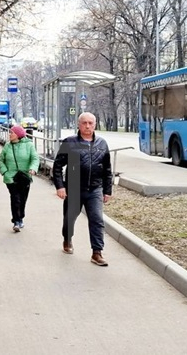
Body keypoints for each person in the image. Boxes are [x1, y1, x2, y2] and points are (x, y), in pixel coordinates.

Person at [52, 112, 114, 266]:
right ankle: (67, 239)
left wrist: (107, 190)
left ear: (95, 125)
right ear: (78, 125)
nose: (87, 126)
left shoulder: (102, 144)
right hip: (74, 188)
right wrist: (60, 186)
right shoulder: (70, 142)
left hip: (95, 189)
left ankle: (97, 252)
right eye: (84, 123)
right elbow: (57, 166)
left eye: (90, 123)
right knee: (69, 218)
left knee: (97, 219)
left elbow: (107, 169)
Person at [0, 124, 39, 233]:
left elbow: (35, 158)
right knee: (15, 198)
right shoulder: (7, 146)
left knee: (23, 199)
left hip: (25, 176)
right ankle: (16, 221)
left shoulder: (29, 145)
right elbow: (0, 160)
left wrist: (33, 168)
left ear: (18, 134)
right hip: (11, 177)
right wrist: (5, 172)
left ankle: (20, 217)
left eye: (12, 133)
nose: (9, 134)